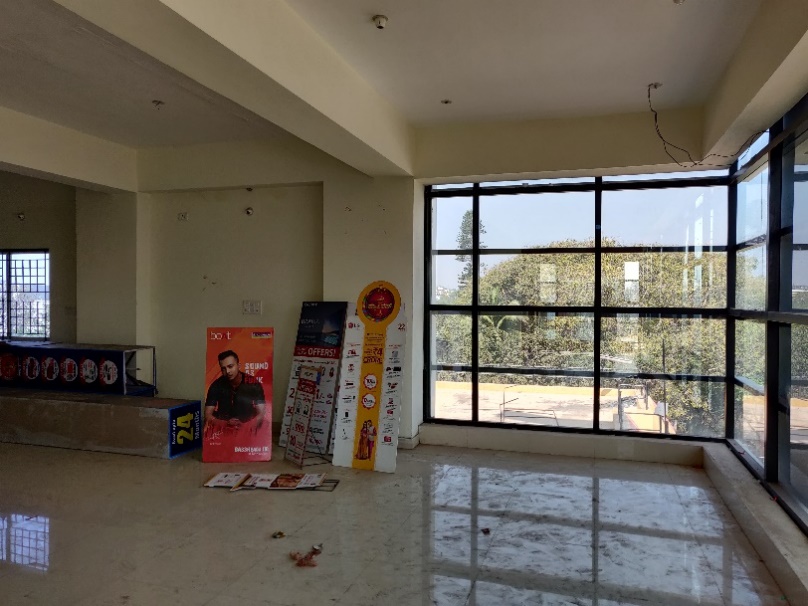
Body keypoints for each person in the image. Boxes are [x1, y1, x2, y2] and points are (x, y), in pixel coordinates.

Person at [204, 350, 266, 430]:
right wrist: (225, 424)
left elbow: (261, 413)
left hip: (248, 426)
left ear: (238, 366)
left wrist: (245, 427)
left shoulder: (253, 384)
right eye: (223, 368)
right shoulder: (216, 385)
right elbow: (207, 415)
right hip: (223, 426)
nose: (227, 371)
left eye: (230, 366)